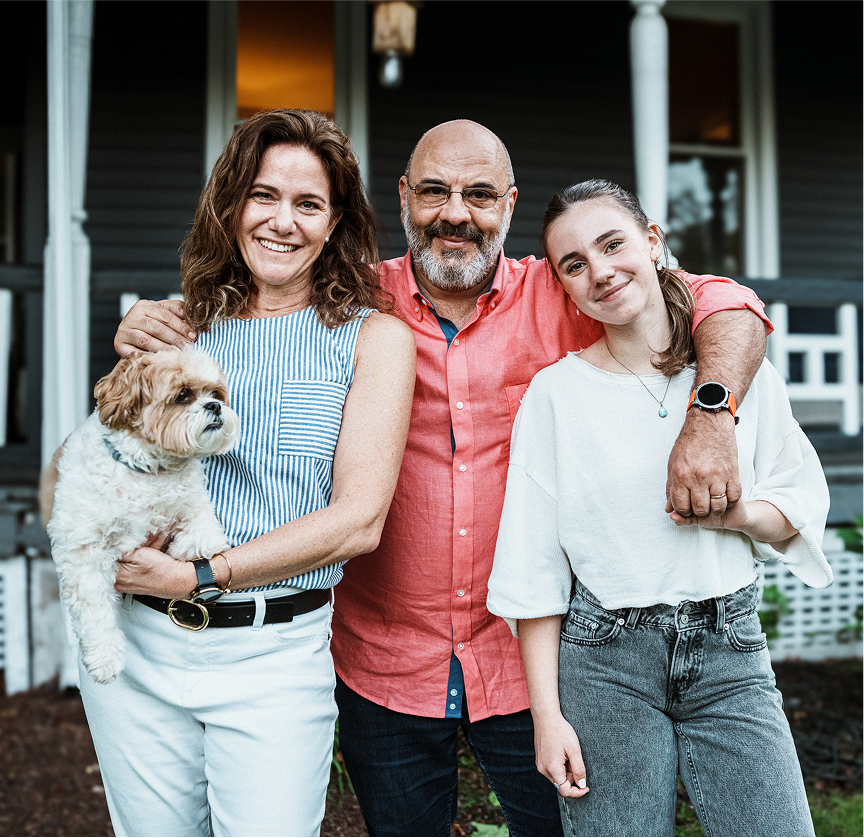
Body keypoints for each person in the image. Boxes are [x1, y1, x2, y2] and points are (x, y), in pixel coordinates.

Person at [115, 120, 771, 837]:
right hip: (384, 663)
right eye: (434, 191)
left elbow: (722, 302)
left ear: (510, 205)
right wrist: (159, 322)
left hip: (533, 664)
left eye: (480, 195)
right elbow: (250, 311)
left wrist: (712, 411)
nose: (455, 213)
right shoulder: (350, 302)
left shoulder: (561, 293)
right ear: (403, 198)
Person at [84, 109, 415, 837]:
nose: (282, 221)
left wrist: (204, 576)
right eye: (264, 196)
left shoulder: (372, 339)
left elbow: (359, 520)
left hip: (273, 655)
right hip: (138, 644)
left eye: (308, 204)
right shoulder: (182, 326)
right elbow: (106, 460)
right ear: (231, 206)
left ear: (334, 224)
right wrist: (128, 347)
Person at [487, 179, 831, 837]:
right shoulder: (557, 396)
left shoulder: (735, 374)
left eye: (612, 244)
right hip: (603, 662)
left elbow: (796, 502)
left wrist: (736, 516)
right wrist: (547, 717)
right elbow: (533, 571)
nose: (601, 272)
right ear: (563, 286)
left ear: (652, 241)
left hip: (728, 650)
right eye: (575, 265)